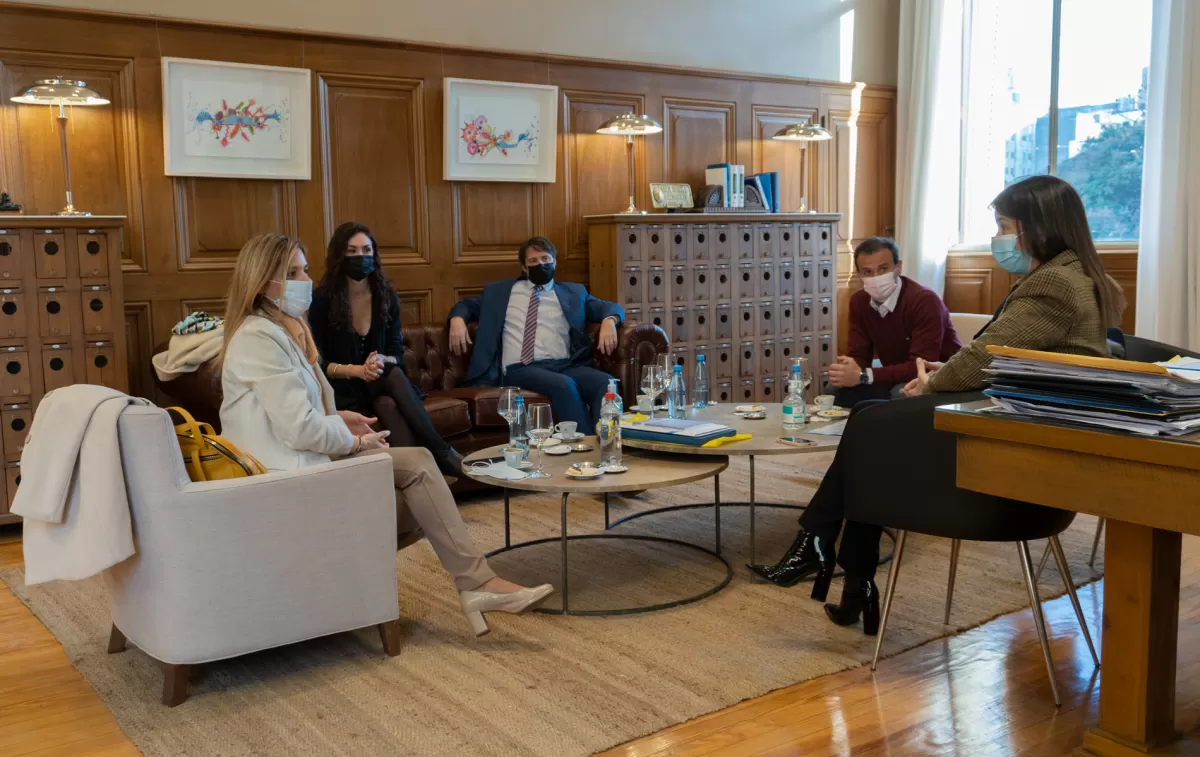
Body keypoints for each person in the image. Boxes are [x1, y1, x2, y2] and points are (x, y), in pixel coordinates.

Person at [748, 175, 1125, 634]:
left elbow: (982, 358)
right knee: (870, 424)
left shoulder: (1054, 285)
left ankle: (827, 550)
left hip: (1013, 433)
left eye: (1005, 225)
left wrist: (928, 385)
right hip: (1014, 414)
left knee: (871, 425)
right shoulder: (1074, 275)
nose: (1000, 237)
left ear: (1037, 225)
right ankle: (846, 571)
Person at [219, 232, 553, 637]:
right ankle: (476, 583)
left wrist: (342, 418)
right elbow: (299, 428)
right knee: (419, 487)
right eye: (291, 273)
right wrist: (357, 442)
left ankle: (475, 583)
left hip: (304, 457)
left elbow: (297, 413)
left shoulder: (283, 329)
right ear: (260, 281)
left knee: (420, 469)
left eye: (304, 269)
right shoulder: (259, 338)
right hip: (288, 478)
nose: (304, 280)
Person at [308, 222, 463, 478]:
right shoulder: (322, 301)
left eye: (366, 250)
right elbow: (319, 363)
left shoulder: (385, 295)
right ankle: (439, 457)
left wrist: (380, 359)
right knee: (389, 397)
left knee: (389, 384)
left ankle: (425, 473)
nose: (361, 257)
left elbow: (396, 353)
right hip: (344, 389)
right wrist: (358, 370)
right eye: (352, 251)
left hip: (379, 380)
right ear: (339, 255)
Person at [447, 236, 624, 429]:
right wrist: (457, 320)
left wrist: (609, 321)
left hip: (565, 365)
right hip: (521, 368)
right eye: (533, 261)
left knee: (606, 383)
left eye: (545, 259)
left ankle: (608, 441)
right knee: (563, 385)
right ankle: (586, 445)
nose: (540, 264)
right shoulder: (500, 292)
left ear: (554, 262)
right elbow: (466, 305)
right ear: (524, 267)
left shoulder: (574, 293)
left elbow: (608, 307)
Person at [827, 237, 961, 408]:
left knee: (901, 395)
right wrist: (849, 369)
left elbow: (921, 366)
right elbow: (860, 356)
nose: (876, 278)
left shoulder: (924, 301)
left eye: (883, 269)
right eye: (868, 272)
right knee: (835, 389)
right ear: (859, 274)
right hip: (895, 376)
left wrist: (864, 375)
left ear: (898, 267)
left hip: (937, 378)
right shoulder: (859, 301)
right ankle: (850, 434)